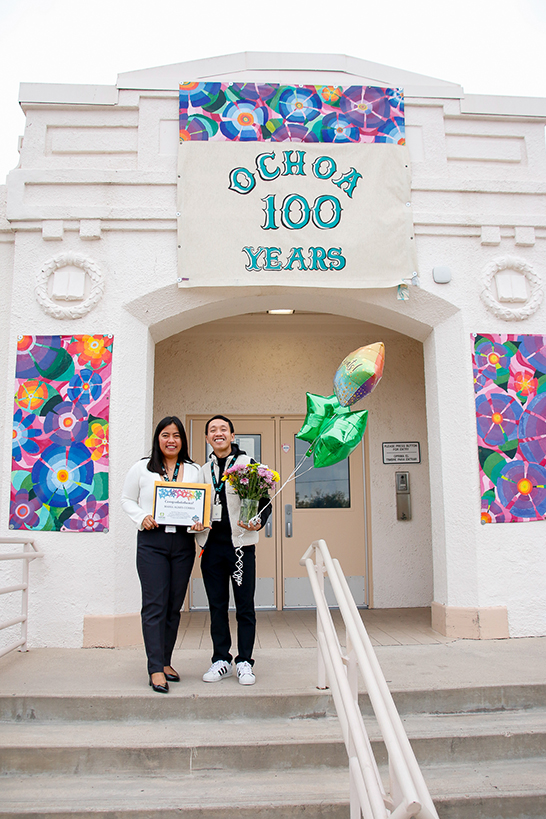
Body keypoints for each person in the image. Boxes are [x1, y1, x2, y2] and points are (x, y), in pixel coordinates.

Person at [121, 416, 201, 693]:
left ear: (183, 440)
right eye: (165, 435)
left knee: (173, 607)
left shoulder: (193, 470)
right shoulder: (142, 468)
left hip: (182, 544)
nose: (171, 440)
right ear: (158, 438)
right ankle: (155, 668)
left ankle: (165, 661)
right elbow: (126, 499)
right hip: (152, 542)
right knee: (154, 605)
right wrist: (141, 516)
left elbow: (199, 503)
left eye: (176, 435)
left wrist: (199, 521)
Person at [193, 415, 271, 686]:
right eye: (212, 430)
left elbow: (264, 501)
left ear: (232, 435)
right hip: (211, 547)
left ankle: (245, 662)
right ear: (207, 438)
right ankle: (220, 659)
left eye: (223, 429)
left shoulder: (248, 465)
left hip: (241, 547)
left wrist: (259, 520)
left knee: (245, 607)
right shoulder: (202, 471)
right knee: (216, 607)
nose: (218, 433)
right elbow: (193, 504)